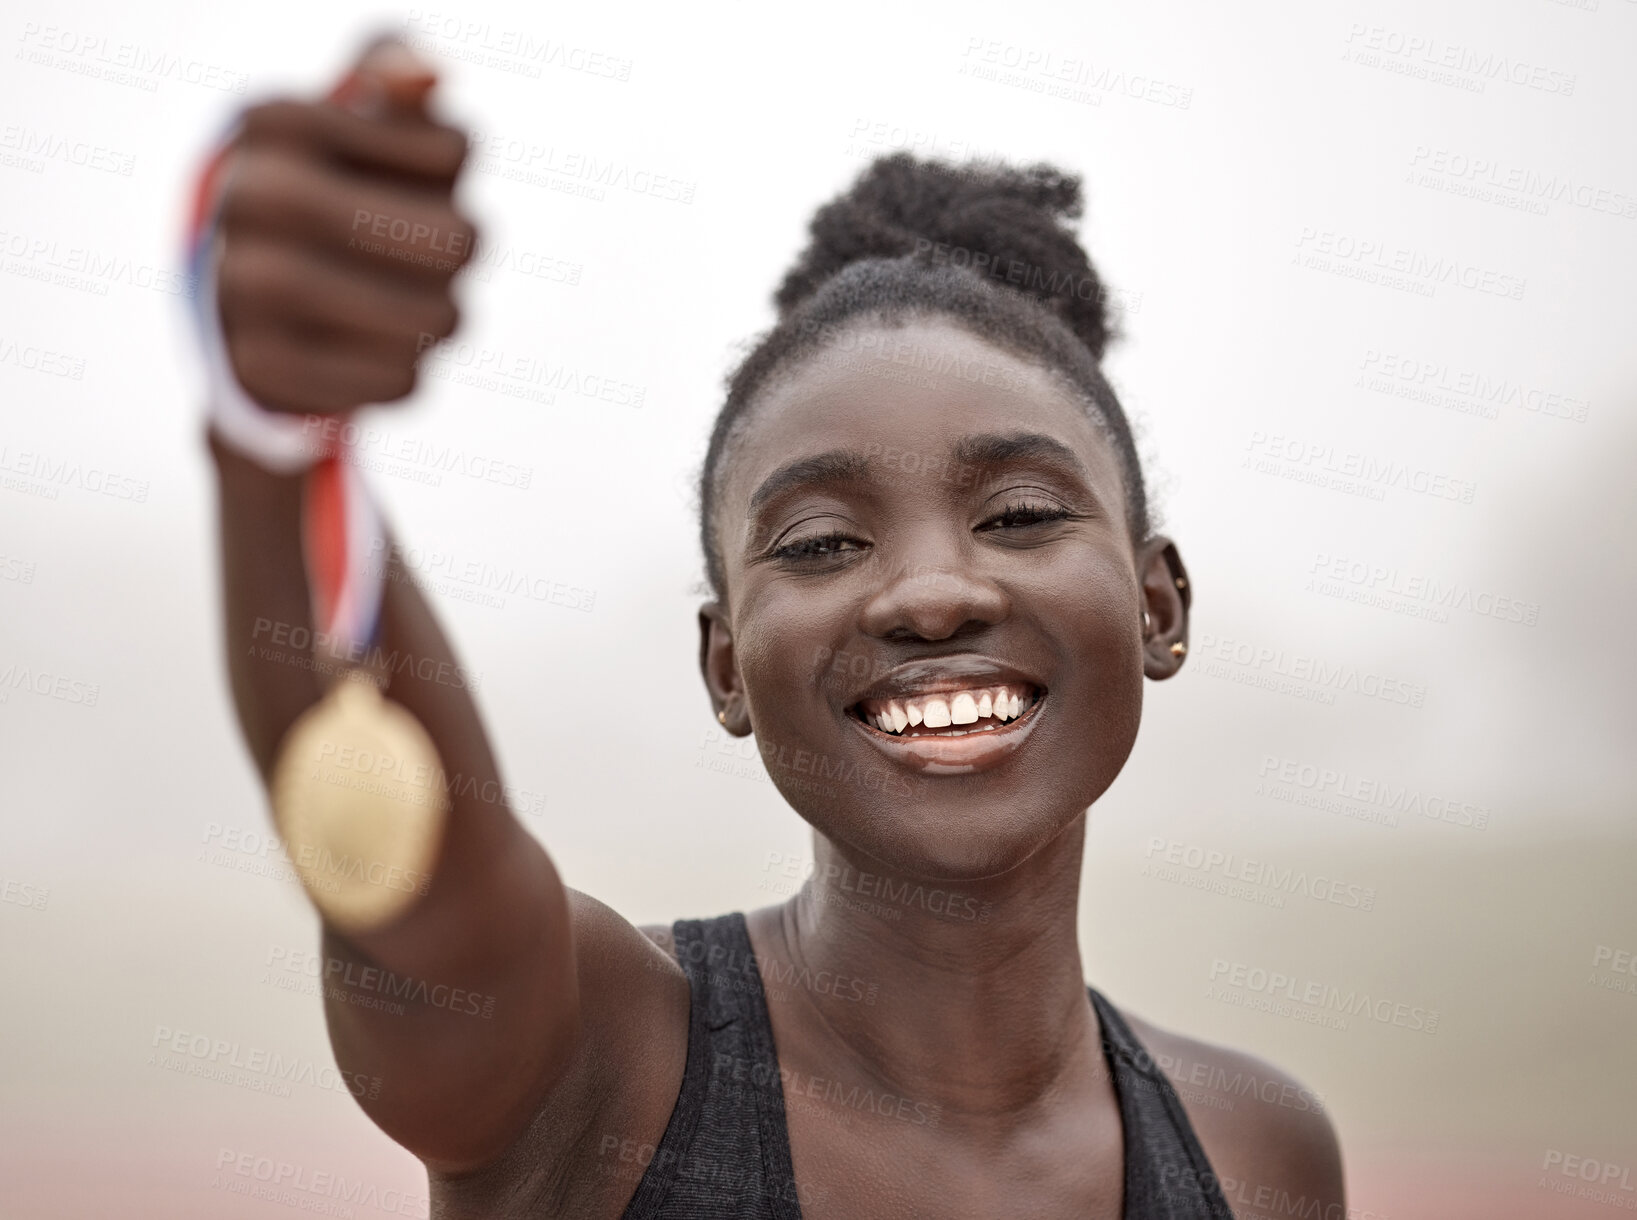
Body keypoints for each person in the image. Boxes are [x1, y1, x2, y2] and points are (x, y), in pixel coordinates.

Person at [201, 36, 1345, 1220]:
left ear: (1157, 605)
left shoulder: (1257, 1150)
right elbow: (409, 880)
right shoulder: (593, 1065)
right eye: (819, 541)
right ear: (725, 664)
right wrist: (283, 435)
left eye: (1015, 512)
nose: (928, 592)